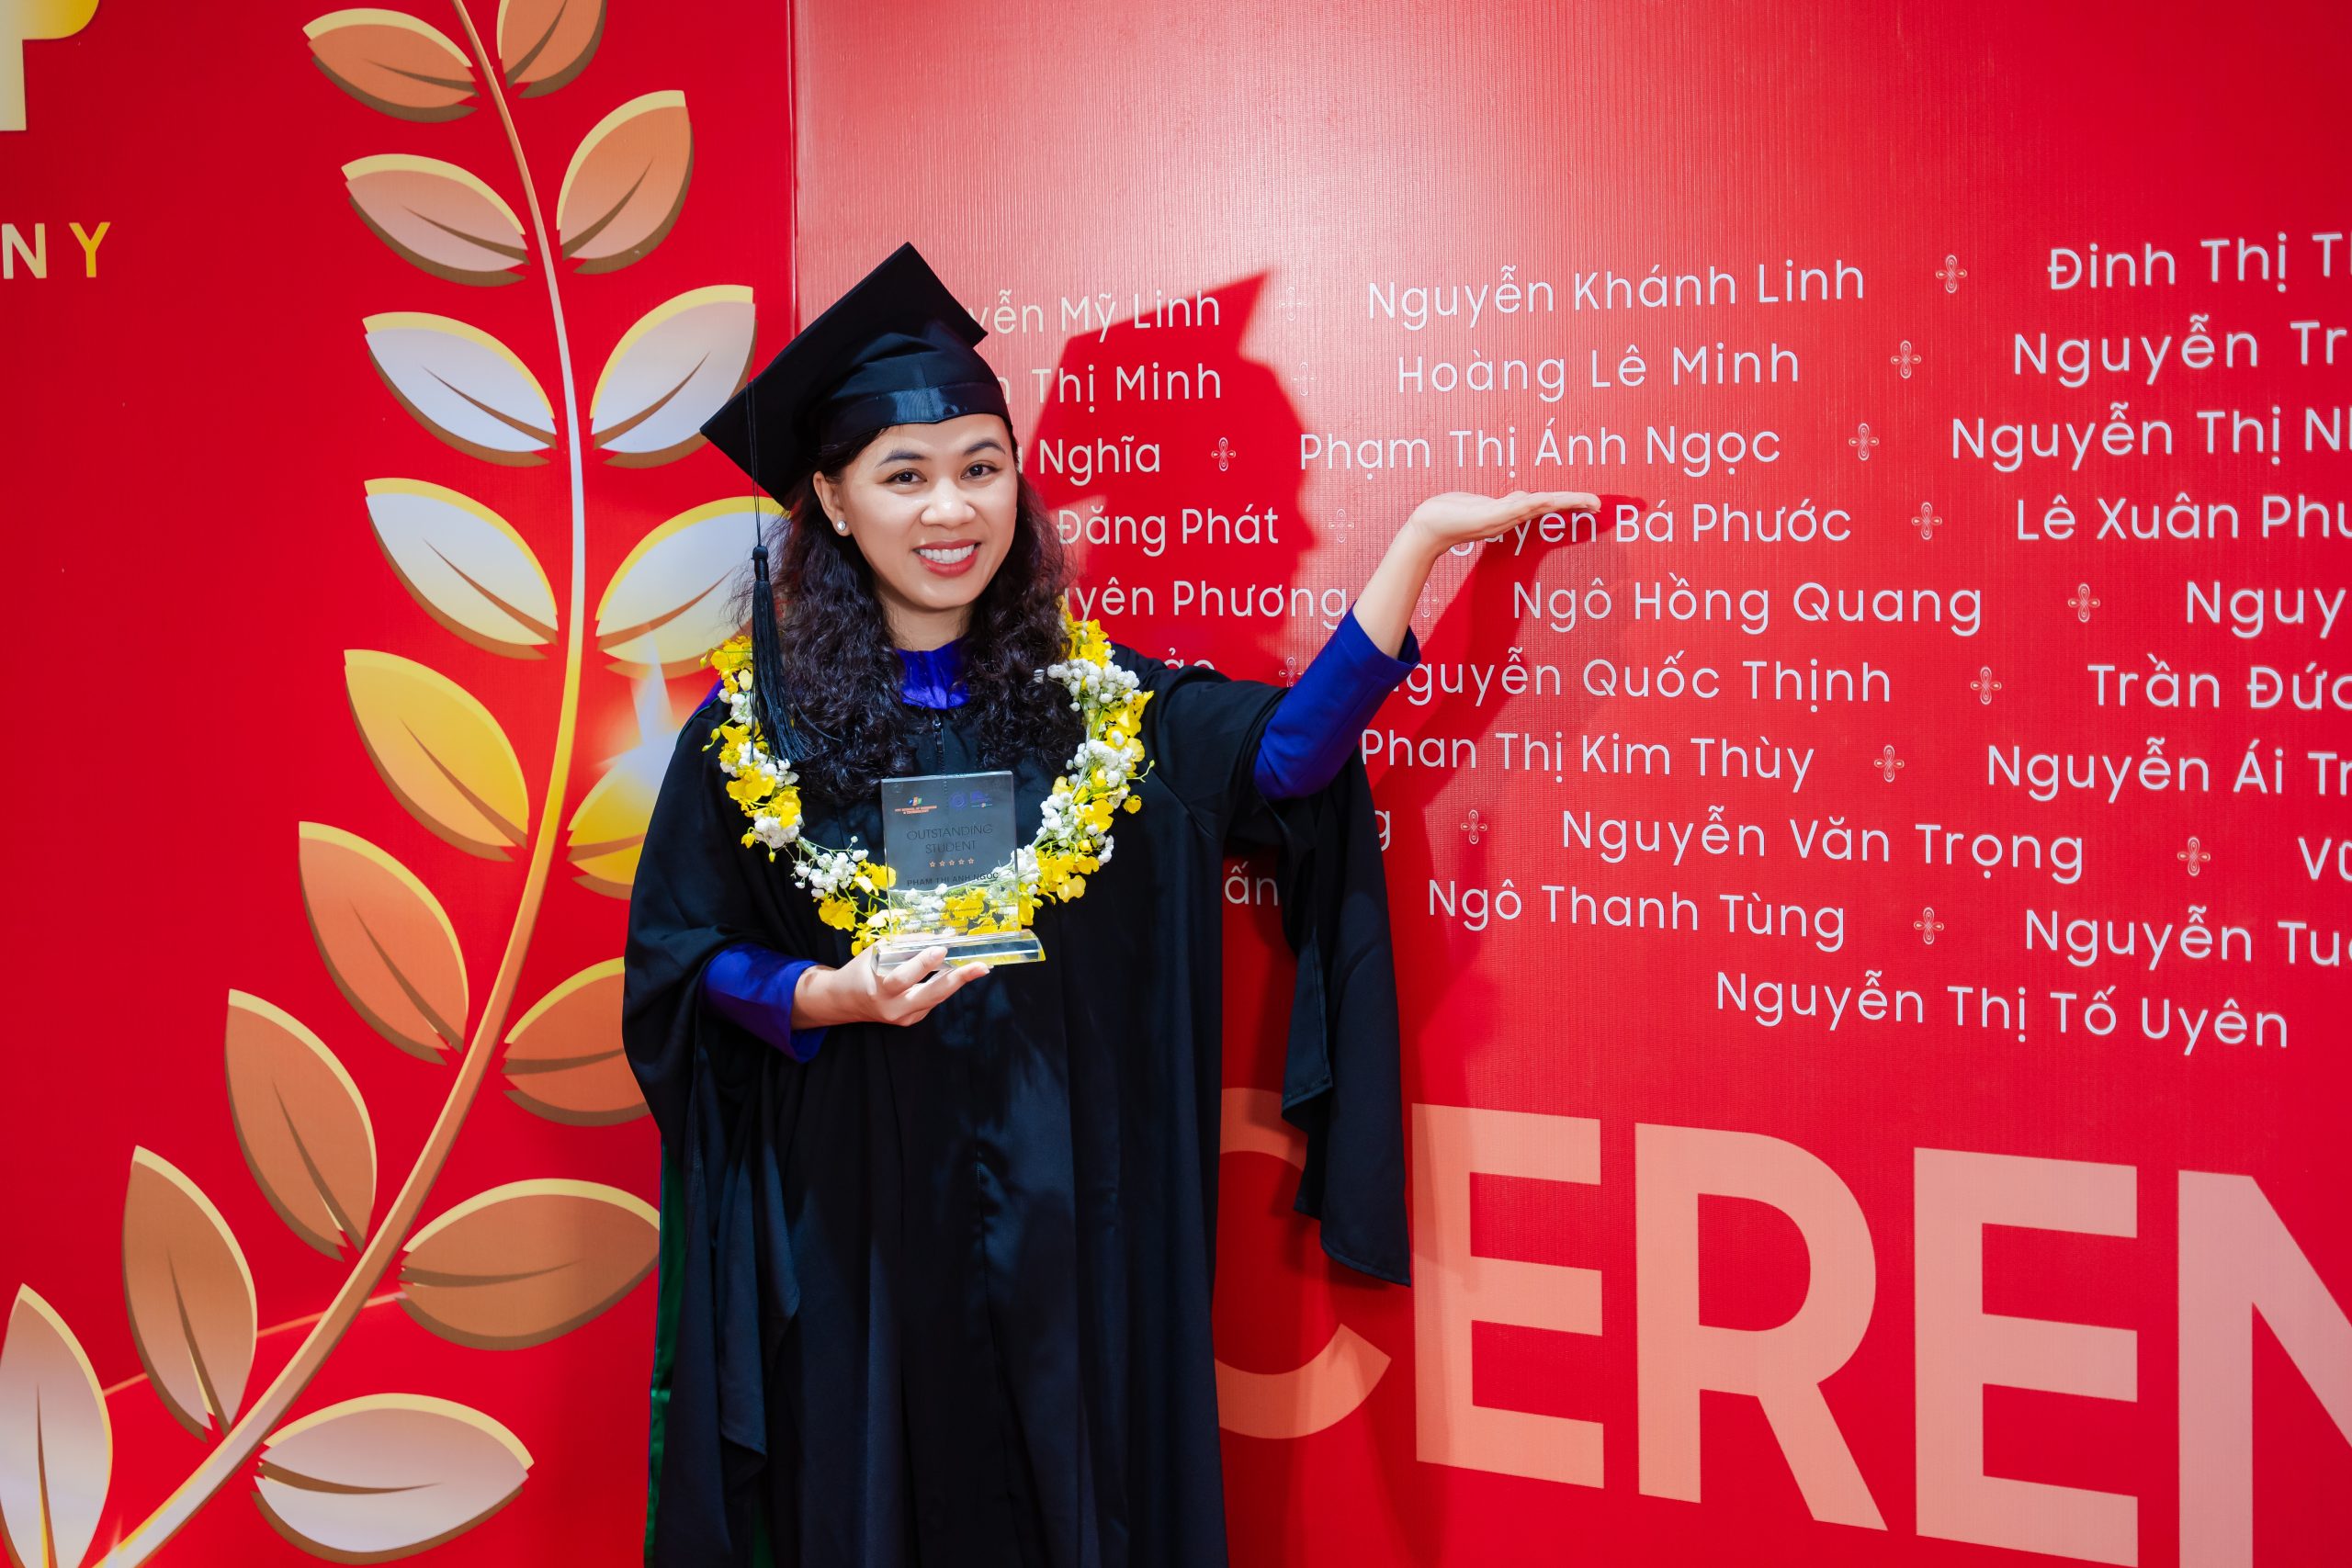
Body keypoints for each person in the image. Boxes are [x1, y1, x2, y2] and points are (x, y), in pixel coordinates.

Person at [622, 242, 1596, 1568]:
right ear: (835, 503)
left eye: (981, 466)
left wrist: (1418, 547)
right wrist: (828, 993)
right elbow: (681, 970)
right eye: (905, 475)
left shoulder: (1097, 710)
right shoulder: (755, 739)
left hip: (1065, 1219)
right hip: (859, 1221)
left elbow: (1284, 759)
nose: (953, 507)